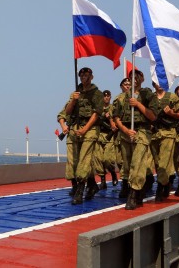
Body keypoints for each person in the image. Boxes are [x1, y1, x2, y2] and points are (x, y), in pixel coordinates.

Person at [113, 70, 157, 209]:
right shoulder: (121, 97)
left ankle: (133, 193)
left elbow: (153, 116)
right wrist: (125, 130)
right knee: (127, 164)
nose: (135, 79)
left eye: (138, 77)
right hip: (126, 132)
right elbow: (116, 117)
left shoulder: (147, 95)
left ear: (142, 78)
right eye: (132, 77)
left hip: (142, 131)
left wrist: (138, 104)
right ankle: (138, 192)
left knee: (137, 163)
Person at [60, 67, 104, 204]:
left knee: (84, 159)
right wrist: (73, 100)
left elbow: (96, 114)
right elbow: (66, 112)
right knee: (74, 161)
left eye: (87, 74)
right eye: (81, 75)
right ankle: (92, 185)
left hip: (90, 128)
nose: (84, 76)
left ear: (92, 76)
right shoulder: (75, 93)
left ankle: (79, 191)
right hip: (75, 128)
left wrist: (85, 129)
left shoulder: (97, 93)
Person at [150, 81, 179, 201]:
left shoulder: (172, 97)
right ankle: (165, 182)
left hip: (168, 132)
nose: (159, 84)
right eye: (156, 82)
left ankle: (160, 186)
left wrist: (170, 113)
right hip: (154, 134)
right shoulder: (151, 97)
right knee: (157, 163)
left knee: (164, 162)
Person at [95, 90, 119, 190]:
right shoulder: (98, 109)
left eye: (108, 96)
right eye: (104, 96)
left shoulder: (113, 108)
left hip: (109, 134)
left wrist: (109, 119)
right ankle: (103, 180)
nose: (106, 97)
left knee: (107, 159)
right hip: (99, 135)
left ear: (110, 97)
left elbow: (116, 122)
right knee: (98, 159)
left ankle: (113, 173)